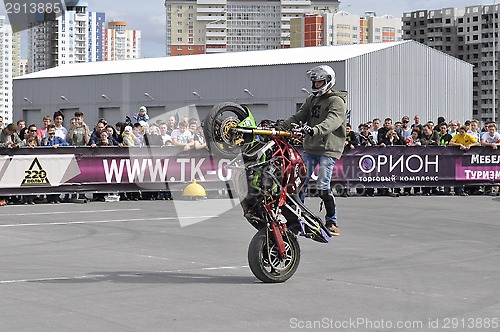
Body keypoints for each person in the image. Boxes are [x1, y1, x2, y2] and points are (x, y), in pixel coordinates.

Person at [277, 65, 347, 235]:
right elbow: (299, 116)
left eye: (319, 82)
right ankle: (297, 217)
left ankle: (332, 221)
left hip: (327, 149)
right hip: (311, 147)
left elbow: (332, 121)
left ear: (328, 81)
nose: (316, 85)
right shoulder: (312, 99)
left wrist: (314, 130)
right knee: (299, 183)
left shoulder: (336, 101)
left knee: (323, 186)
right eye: (314, 82)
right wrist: (281, 126)